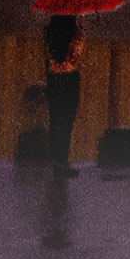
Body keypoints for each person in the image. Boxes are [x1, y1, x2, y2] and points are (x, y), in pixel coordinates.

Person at [40, 11, 83, 174]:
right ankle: (62, 161)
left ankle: (57, 161)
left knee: (56, 119)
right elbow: (75, 56)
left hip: (54, 79)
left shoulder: (49, 33)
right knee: (67, 120)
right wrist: (80, 33)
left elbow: (47, 56)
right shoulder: (73, 34)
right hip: (69, 78)